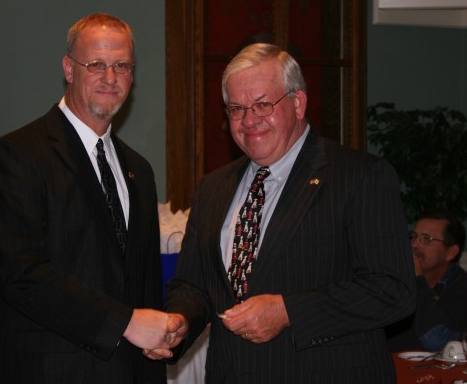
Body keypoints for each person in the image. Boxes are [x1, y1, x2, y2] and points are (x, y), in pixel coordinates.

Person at [146, 43, 416, 383]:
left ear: (298, 103)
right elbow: (194, 285)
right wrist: (180, 322)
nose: (249, 121)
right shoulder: (213, 188)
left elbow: (393, 291)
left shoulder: (359, 176)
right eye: (236, 109)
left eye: (262, 105)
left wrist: (288, 311)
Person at [0, 13, 185, 383]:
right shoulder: (18, 155)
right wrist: (126, 323)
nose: (110, 77)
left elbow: (143, 282)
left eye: (122, 65)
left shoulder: (139, 169)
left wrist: (165, 330)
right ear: (69, 69)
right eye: (96, 65)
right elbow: (23, 277)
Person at [386, 209, 467, 352]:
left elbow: (438, 343)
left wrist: (418, 280)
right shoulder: (394, 279)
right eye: (413, 236)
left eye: (426, 239)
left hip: (436, 372)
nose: (414, 245)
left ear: (450, 252)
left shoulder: (465, 292)